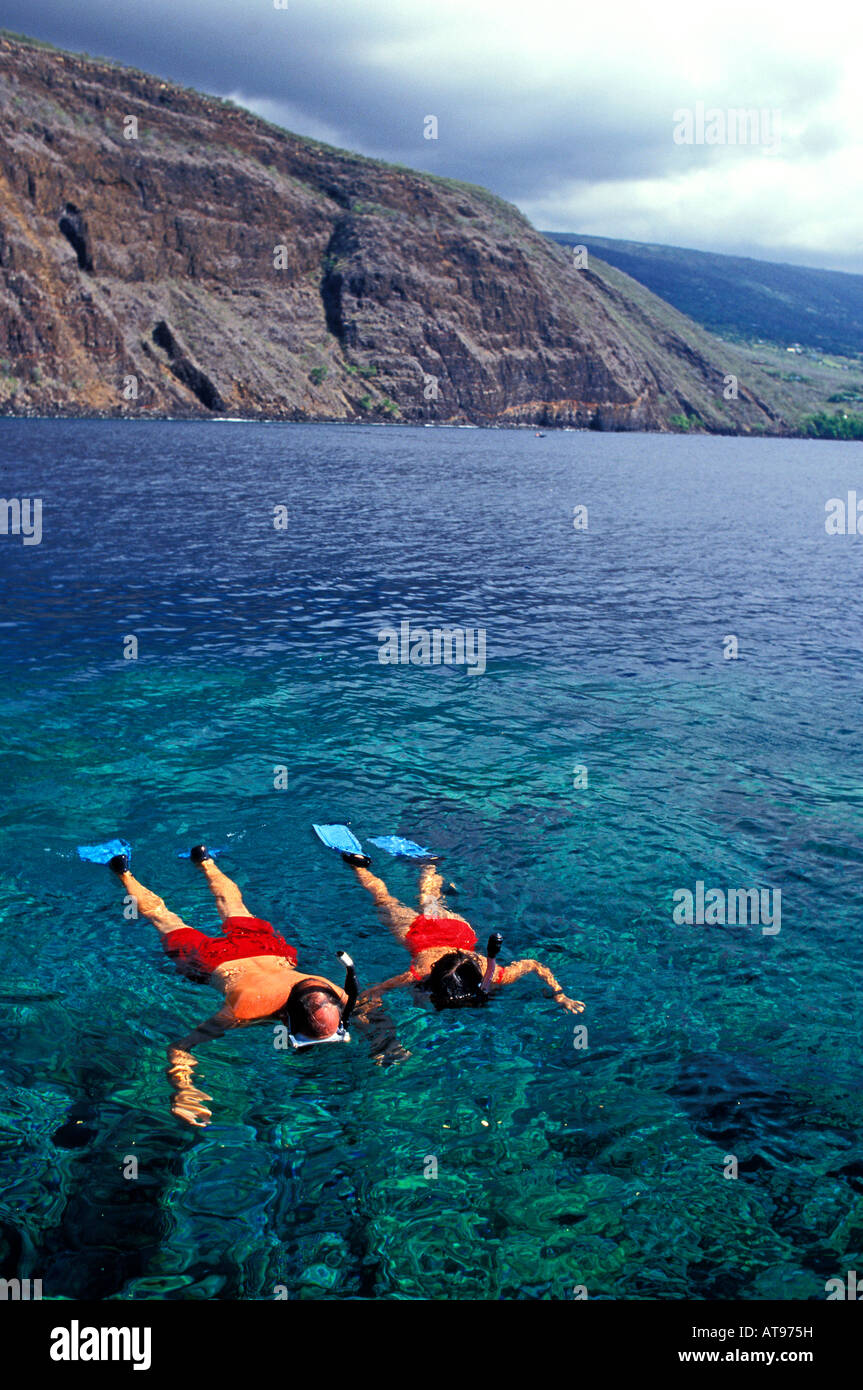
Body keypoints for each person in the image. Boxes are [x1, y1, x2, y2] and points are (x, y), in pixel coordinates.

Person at [108, 845, 361, 1128]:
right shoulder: (245, 1011)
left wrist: (388, 1042)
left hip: (268, 949)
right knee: (164, 920)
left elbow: (366, 1005)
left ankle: (202, 860)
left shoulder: (333, 991)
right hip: (211, 960)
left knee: (233, 905)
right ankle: (124, 875)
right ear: (287, 1021)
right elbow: (180, 1048)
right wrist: (184, 1091)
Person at [342, 854, 585, 1015]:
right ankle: (362, 866)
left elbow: (533, 965)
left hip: (455, 932)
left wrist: (559, 994)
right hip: (430, 935)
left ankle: (428, 866)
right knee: (385, 901)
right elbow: (533, 964)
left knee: (427, 900)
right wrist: (560, 996)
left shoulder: (495, 974)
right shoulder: (421, 973)